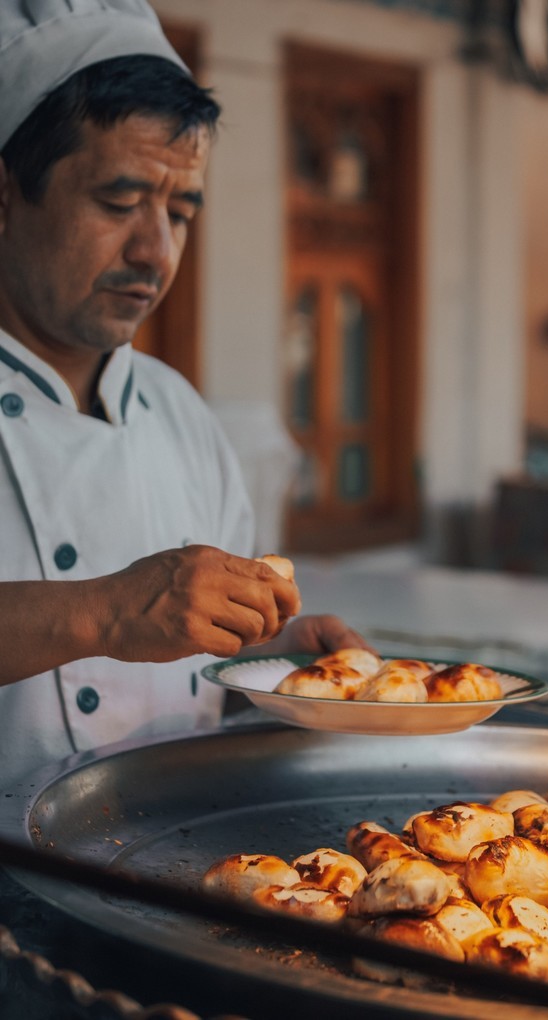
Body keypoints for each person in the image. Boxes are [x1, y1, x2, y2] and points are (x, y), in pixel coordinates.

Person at [0, 0, 369, 790]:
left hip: (153, 870)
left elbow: (185, 682)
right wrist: (103, 611)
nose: (155, 251)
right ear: (4, 195)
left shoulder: (179, 415)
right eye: (119, 202)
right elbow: (123, 614)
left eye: (180, 211)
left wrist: (273, 662)